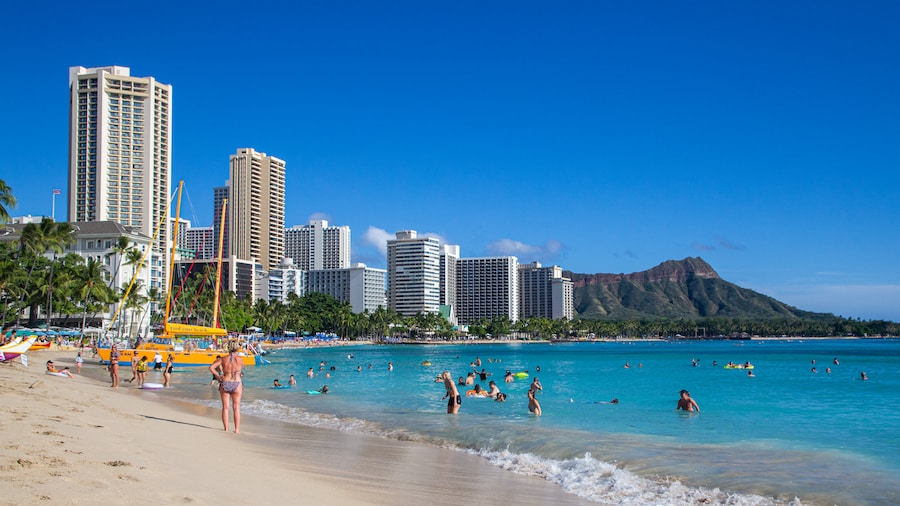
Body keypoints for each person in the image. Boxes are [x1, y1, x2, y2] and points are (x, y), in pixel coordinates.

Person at [209, 341, 244, 433]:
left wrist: (219, 376)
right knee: (236, 407)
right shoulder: (240, 359)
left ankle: (226, 428)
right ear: (237, 348)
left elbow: (211, 367)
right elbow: (240, 370)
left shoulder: (223, 359)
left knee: (225, 407)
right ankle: (236, 430)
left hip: (225, 382)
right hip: (237, 383)